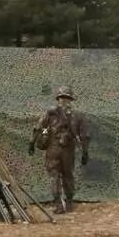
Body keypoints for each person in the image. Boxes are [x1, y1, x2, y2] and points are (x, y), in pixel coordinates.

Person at [30, 85, 90, 213]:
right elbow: (84, 136)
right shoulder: (78, 116)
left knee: (54, 176)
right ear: (71, 99)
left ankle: (59, 205)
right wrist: (85, 153)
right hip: (68, 150)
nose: (63, 100)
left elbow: (38, 127)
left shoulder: (50, 113)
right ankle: (68, 203)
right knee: (68, 175)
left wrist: (32, 143)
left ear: (58, 98)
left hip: (53, 149)